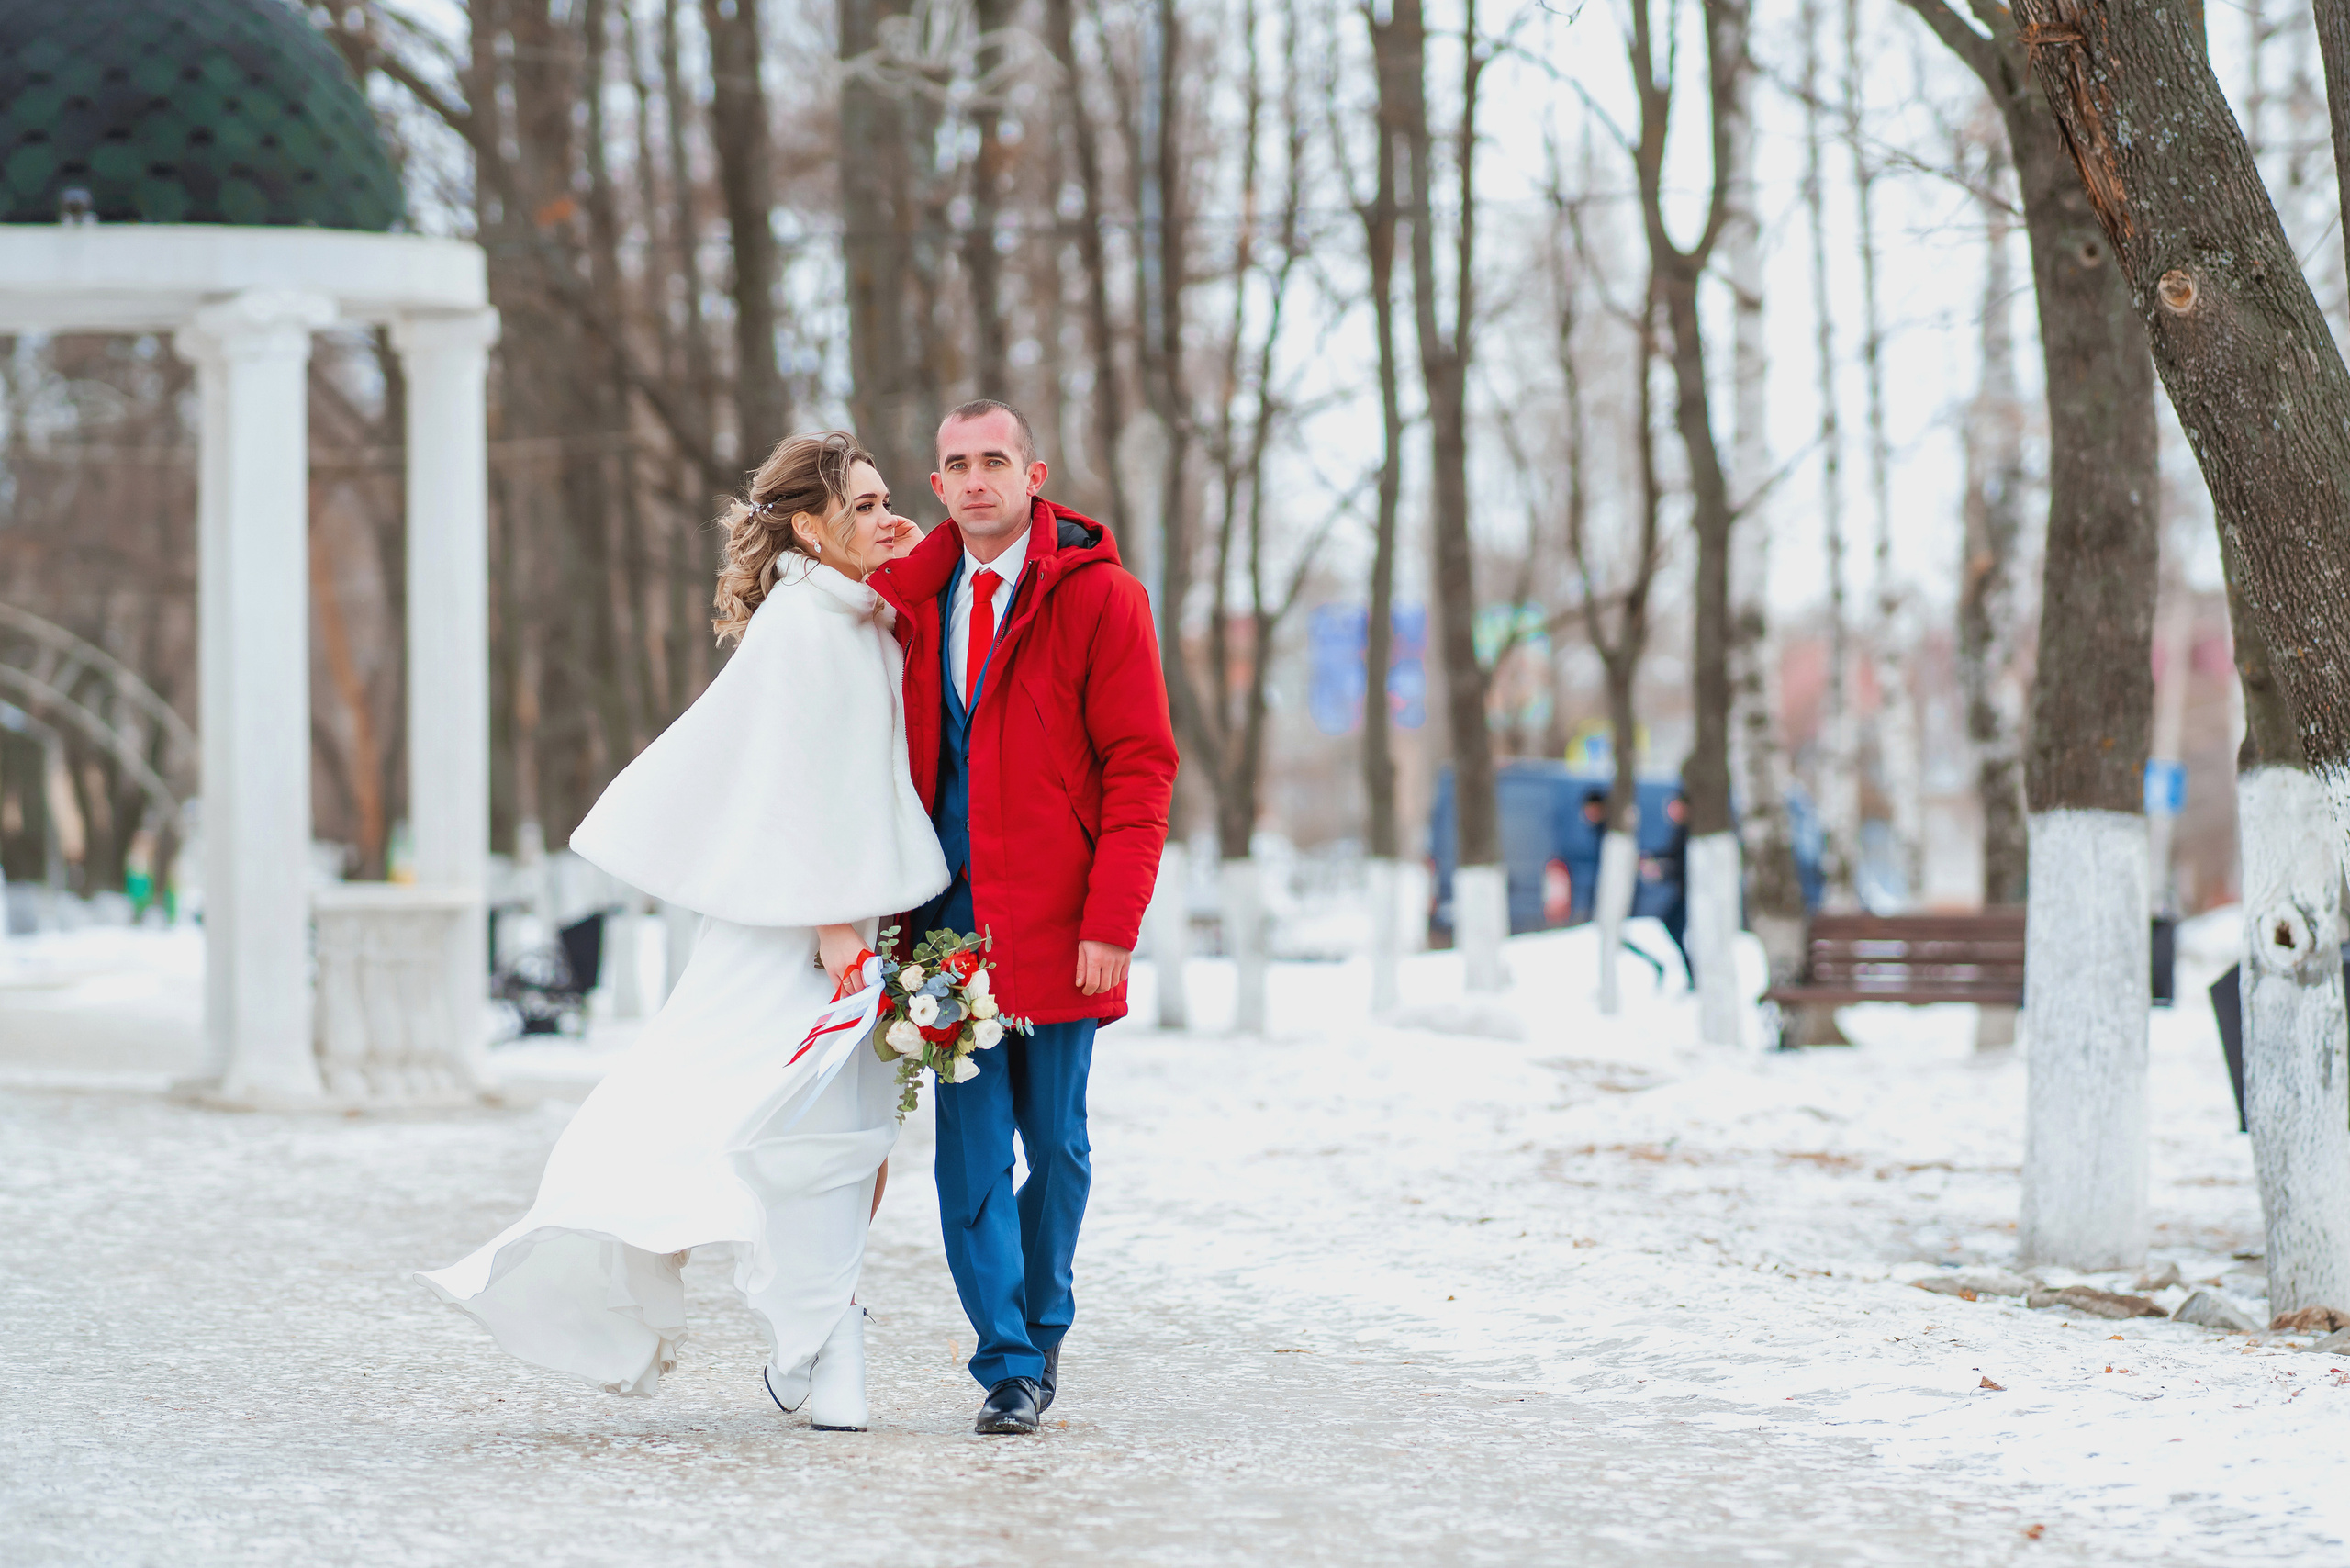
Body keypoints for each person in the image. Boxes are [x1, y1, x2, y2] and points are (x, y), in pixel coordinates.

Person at [418, 432, 943, 1433]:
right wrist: (834, 927)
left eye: (887, 501)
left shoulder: (856, 614)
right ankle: (818, 1337)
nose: (887, 516)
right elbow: (794, 784)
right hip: (796, 927)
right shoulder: (801, 626)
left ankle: (816, 1330)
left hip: (849, 919)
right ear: (808, 524)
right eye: (866, 503)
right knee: (772, 1125)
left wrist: (904, 561)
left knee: (848, 1136)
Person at [867, 399, 1178, 1436]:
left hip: (1059, 926)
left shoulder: (1102, 600)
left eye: (994, 459)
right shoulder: (907, 607)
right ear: (935, 485)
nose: (975, 480)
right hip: (946, 930)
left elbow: (1142, 768)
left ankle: (1042, 1328)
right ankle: (1005, 1362)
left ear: (1034, 475)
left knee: (1058, 1143)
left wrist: (1112, 922)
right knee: (968, 1151)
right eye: (955, 464)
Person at [1645, 791, 1692, 978]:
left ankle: (1693, 973)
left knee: (1674, 924)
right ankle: (1691, 973)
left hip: (1691, 893)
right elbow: (1672, 854)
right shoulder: (1680, 830)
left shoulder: (1688, 831)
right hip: (1684, 892)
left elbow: (1682, 865)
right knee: (1672, 924)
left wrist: (1662, 871)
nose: (1670, 812)